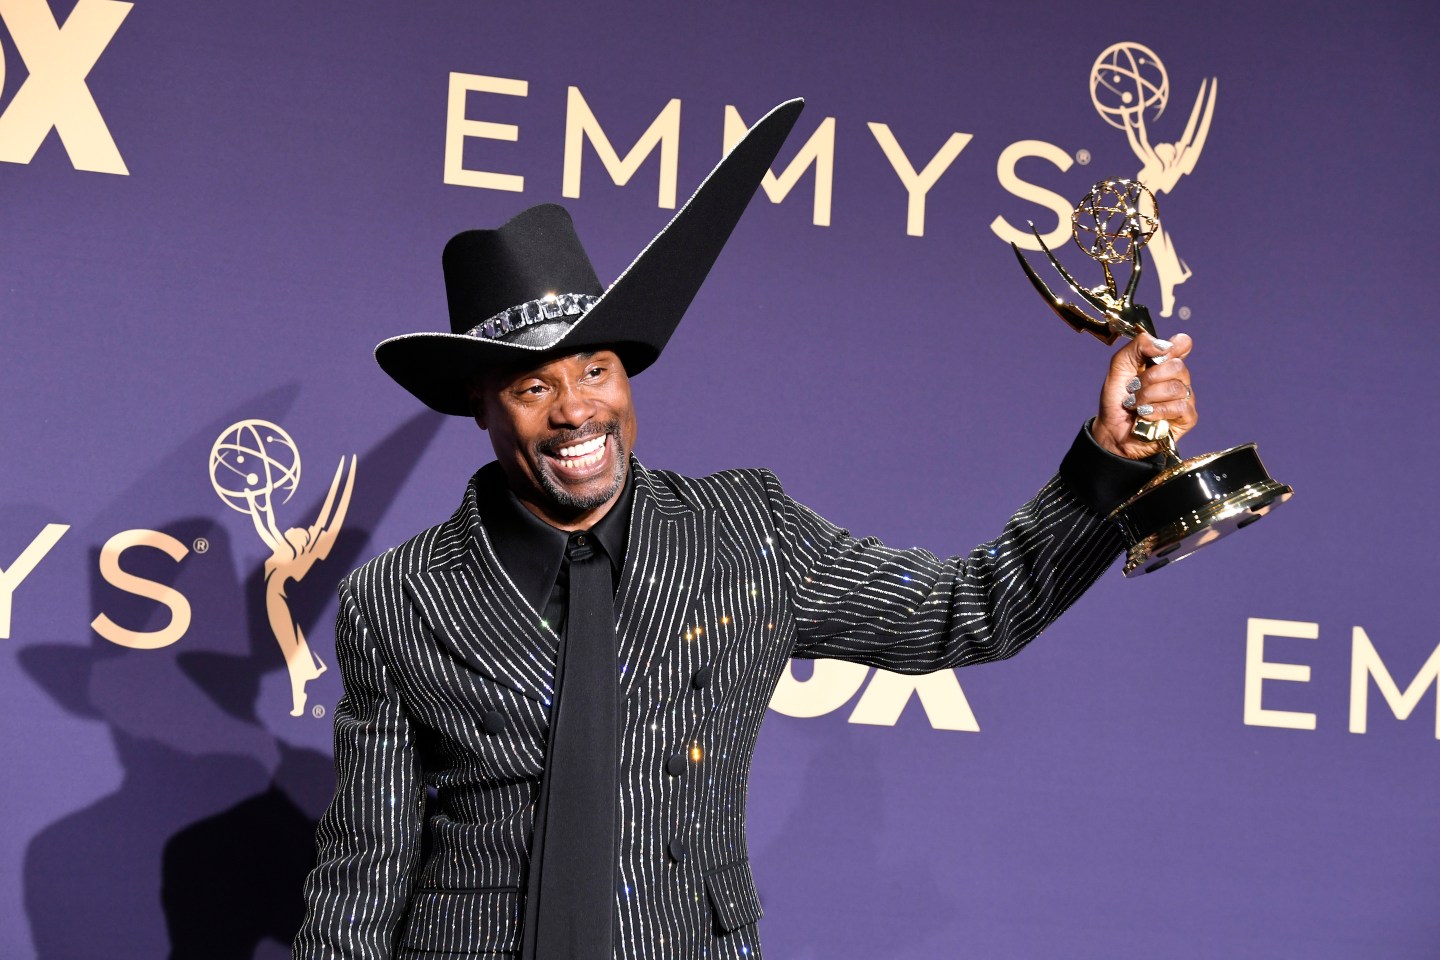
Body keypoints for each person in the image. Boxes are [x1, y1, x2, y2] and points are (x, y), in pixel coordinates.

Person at [292, 100, 1196, 960]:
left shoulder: (743, 534)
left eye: (597, 369)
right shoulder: (398, 597)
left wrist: (1108, 460)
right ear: (482, 408)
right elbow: (364, 873)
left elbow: (969, 610)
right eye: (533, 387)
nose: (576, 411)